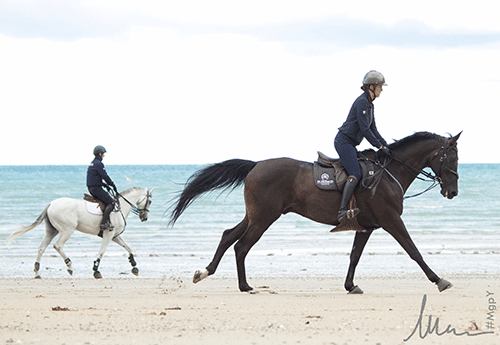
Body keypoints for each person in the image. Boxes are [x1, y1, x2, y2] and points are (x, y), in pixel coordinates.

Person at [334, 70, 391, 222]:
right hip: (344, 142)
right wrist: (378, 146)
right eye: (380, 86)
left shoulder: (370, 105)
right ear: (372, 87)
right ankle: (342, 211)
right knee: (356, 173)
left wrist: (385, 144)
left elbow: (373, 128)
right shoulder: (362, 103)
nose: (382, 89)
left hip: (350, 144)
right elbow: (364, 129)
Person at [87, 145, 118, 230]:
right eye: (103, 153)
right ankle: (104, 223)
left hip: (92, 188)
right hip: (96, 189)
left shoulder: (92, 163)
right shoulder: (98, 164)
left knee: (105, 200)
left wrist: (105, 185)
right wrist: (112, 184)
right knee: (111, 203)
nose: (104, 155)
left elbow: (94, 178)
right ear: (100, 154)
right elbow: (104, 176)